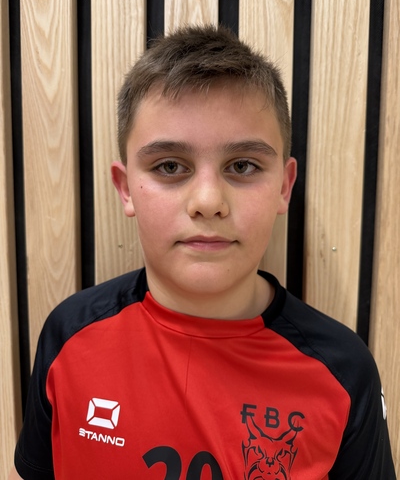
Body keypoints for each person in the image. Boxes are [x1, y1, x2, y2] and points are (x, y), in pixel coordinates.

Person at [11, 25, 395, 479]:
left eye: (243, 166)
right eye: (170, 166)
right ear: (125, 189)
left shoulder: (344, 372)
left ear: (283, 186)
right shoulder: (68, 336)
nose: (209, 201)